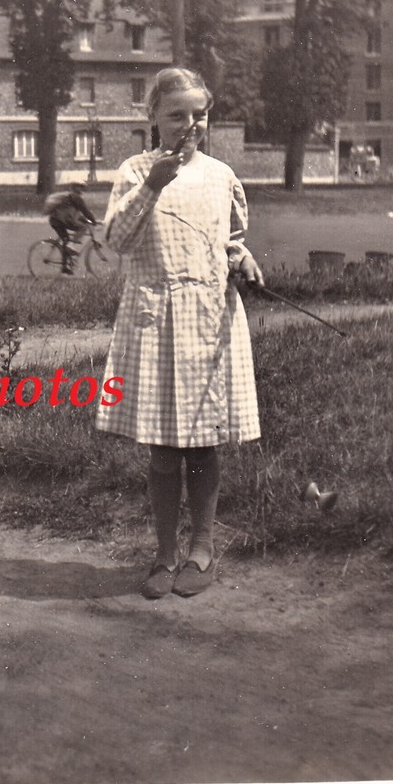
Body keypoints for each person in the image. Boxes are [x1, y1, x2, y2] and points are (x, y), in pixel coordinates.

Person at [95, 67, 264, 600]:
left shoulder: (219, 175)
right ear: (153, 118)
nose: (189, 125)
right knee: (164, 450)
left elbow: (229, 238)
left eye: (199, 115)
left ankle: (202, 549)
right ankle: (164, 555)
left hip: (209, 317)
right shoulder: (134, 171)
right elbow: (118, 240)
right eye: (176, 115)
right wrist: (151, 185)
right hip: (155, 319)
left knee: (204, 443)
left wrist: (242, 259)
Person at [43, 182, 98, 274]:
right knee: (82, 228)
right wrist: (94, 221)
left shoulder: (70, 197)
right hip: (58, 221)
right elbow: (85, 211)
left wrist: (89, 220)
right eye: (79, 187)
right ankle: (70, 247)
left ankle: (64, 266)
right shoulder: (75, 197)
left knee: (66, 240)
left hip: (57, 220)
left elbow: (76, 214)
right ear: (74, 188)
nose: (81, 189)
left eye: (81, 187)